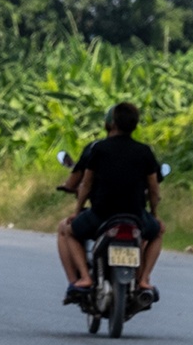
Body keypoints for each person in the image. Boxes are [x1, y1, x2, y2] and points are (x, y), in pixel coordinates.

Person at [57, 102, 162, 303]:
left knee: (69, 231)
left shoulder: (98, 149)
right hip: (135, 215)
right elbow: (154, 189)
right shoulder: (144, 151)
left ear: (111, 124)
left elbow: (86, 185)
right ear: (135, 124)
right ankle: (144, 280)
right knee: (157, 233)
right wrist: (155, 216)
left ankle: (84, 278)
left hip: (102, 214)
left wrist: (77, 211)